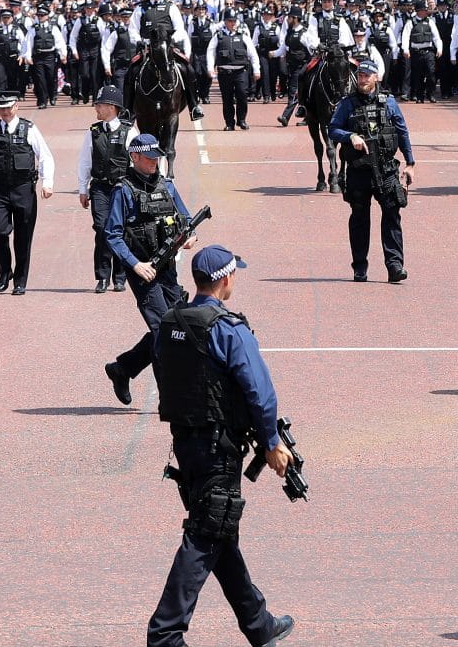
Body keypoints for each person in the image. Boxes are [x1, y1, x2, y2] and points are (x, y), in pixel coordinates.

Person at [147, 244, 296, 647]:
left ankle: (259, 624)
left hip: (185, 443)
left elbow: (167, 374)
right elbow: (259, 392)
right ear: (226, 279)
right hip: (219, 447)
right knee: (205, 535)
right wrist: (271, 442)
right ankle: (165, 634)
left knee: (218, 529)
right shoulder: (228, 328)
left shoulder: (170, 321)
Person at [103, 133, 198, 406]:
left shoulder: (166, 186)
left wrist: (189, 235)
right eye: (149, 158)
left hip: (168, 269)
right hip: (143, 271)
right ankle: (168, 398)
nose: (155, 162)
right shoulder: (124, 190)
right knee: (162, 330)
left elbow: (186, 218)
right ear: (134, 157)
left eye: (157, 157)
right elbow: (112, 235)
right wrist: (135, 265)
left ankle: (123, 369)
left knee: (174, 325)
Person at [328, 58, 415, 283]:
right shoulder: (347, 103)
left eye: (367, 75)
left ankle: (395, 265)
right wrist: (350, 136)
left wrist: (410, 163)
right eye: (360, 75)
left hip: (386, 170)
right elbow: (333, 129)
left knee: (392, 216)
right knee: (359, 219)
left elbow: (402, 132)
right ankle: (359, 267)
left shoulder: (390, 103)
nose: (363, 79)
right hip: (358, 171)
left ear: (376, 77)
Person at [0, 91, 56, 295]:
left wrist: (48, 182)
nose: (4, 111)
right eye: (1, 108)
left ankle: (20, 280)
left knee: (23, 238)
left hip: (23, 191)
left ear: (16, 107)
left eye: (8, 107)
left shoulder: (29, 129)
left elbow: (45, 156)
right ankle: (5, 271)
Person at [79, 85, 140, 293]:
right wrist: (82, 189)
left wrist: (135, 189)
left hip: (121, 188)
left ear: (112, 107)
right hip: (100, 188)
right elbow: (85, 161)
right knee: (102, 228)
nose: (96, 107)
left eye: (100, 104)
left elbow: (135, 162)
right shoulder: (93, 132)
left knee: (121, 231)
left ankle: (120, 276)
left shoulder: (129, 131)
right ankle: (102, 276)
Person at [128, 0, 205, 122]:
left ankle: (194, 106)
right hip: (147, 50)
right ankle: (128, 109)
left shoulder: (171, 7)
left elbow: (180, 29)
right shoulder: (140, 9)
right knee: (131, 72)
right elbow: (132, 30)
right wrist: (141, 41)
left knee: (187, 69)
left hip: (167, 49)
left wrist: (170, 41)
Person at [207, 9, 257, 131]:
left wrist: (257, 69)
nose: (233, 23)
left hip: (241, 71)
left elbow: (253, 54)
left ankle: (242, 120)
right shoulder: (218, 36)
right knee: (227, 98)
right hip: (224, 72)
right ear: (225, 22)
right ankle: (229, 123)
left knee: (242, 95)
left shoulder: (243, 35)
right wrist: (210, 68)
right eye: (230, 21)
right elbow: (210, 52)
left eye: (234, 21)